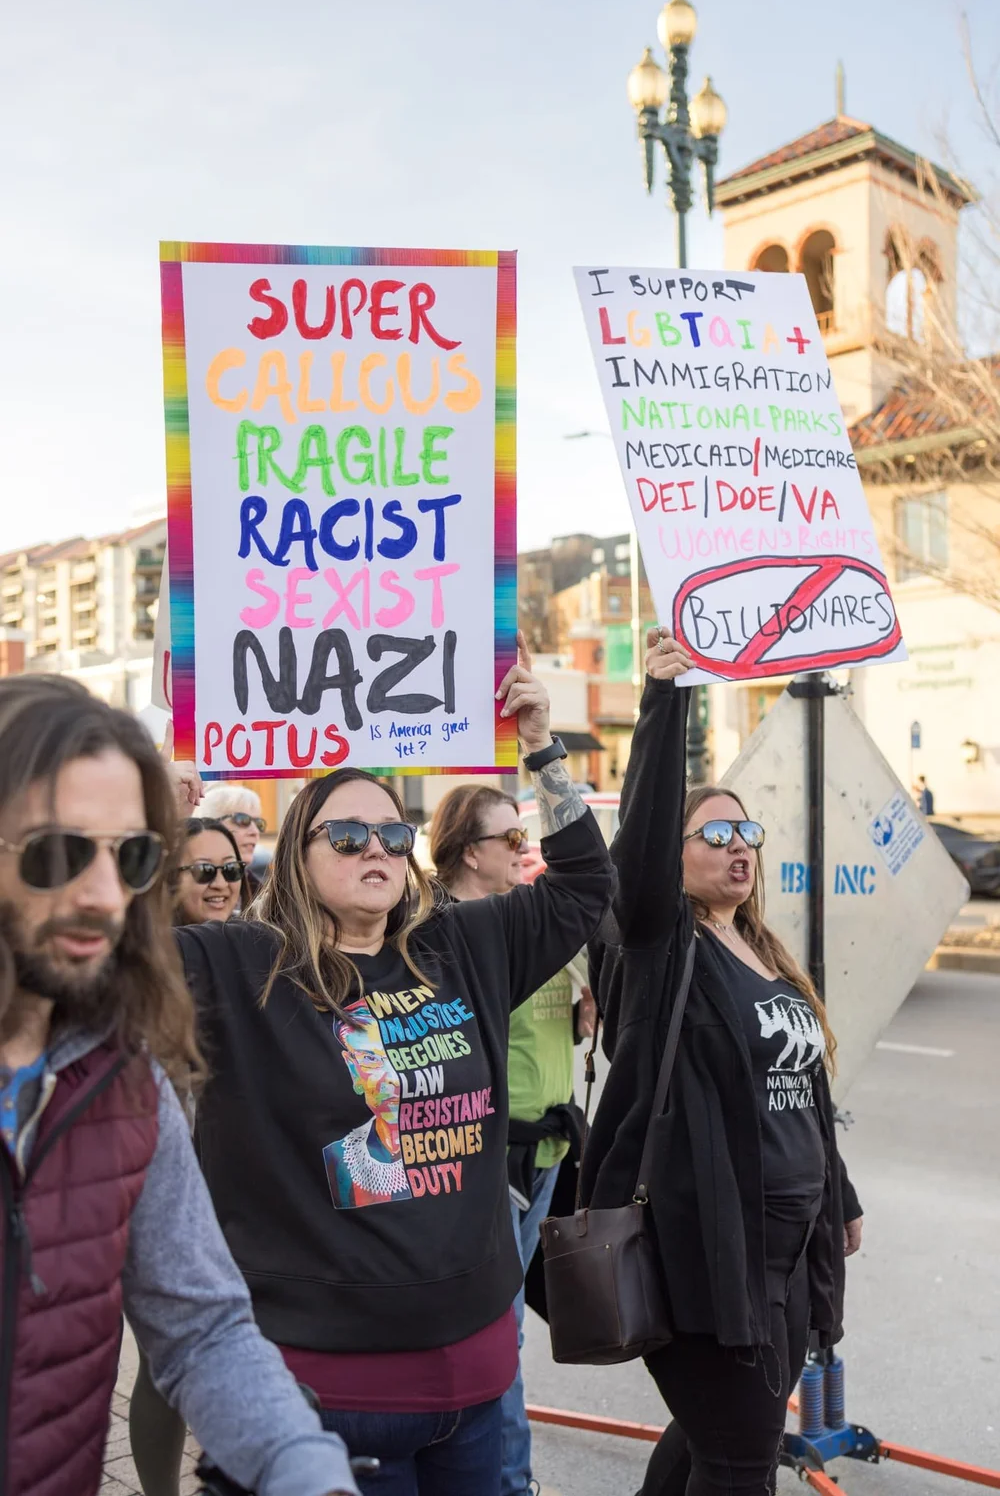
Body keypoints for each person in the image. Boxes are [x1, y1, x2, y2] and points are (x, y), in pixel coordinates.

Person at [173, 633, 613, 1496]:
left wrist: (541, 748)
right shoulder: (237, 963)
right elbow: (105, 950)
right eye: (345, 834)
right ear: (298, 852)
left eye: (388, 831)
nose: (374, 846)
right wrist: (155, 819)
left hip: (476, 1382)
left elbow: (582, 886)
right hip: (321, 1392)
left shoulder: (461, 944)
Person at [0, 673, 358, 1496]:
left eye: (130, 855)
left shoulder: (123, 1078)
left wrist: (304, 1466)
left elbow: (201, 1326)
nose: (102, 895)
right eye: (57, 852)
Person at [580, 629, 864, 1496]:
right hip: (707, 1255)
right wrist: (669, 701)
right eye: (714, 833)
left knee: (715, 1443)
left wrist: (839, 1193)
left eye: (747, 830)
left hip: (783, 1255)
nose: (738, 844)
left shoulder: (767, 953)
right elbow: (636, 842)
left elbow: (805, 1092)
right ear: (676, 855)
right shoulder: (663, 947)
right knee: (742, 1462)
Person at [428, 784, 596, 1496]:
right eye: (511, 839)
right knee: (500, 1332)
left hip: (551, 1149)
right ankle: (505, 1480)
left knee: (504, 1328)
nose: (526, 850)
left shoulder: (525, 920)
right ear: (471, 851)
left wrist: (583, 1009)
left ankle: (497, 1473)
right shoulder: (450, 934)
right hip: (498, 1156)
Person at [127, 815, 249, 1496]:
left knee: (239, 1348)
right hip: (170, 1185)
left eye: (230, 869)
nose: (222, 882)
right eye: (203, 870)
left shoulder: (259, 946)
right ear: (168, 879)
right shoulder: (144, 963)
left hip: (248, 1185)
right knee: (164, 1360)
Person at [171, 817, 247, 925]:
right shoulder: (149, 940)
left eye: (231, 868)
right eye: (204, 870)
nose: (221, 884)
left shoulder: (256, 938)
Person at [196, 785, 267, 894]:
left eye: (258, 823)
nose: (255, 832)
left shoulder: (259, 893)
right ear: (209, 824)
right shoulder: (186, 881)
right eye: (242, 820)